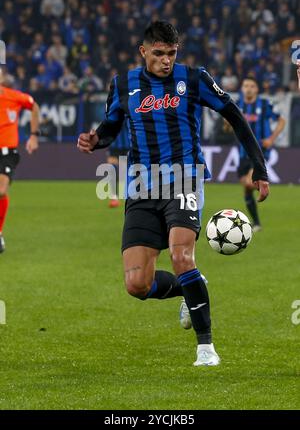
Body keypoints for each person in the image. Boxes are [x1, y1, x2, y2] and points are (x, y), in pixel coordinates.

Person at [77, 21, 269, 367]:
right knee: (137, 284)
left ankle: (205, 348)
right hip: (140, 185)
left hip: (184, 179)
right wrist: (96, 140)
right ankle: (190, 286)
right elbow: (110, 126)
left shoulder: (194, 79)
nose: (166, 61)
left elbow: (235, 115)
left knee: (182, 257)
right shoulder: (123, 85)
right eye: (159, 53)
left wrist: (259, 166)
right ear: (144, 51)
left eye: (171, 54)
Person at [229, 77, 285, 232]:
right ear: (241, 88)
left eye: (252, 86)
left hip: (260, 152)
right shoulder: (236, 105)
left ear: (257, 89)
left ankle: (263, 184)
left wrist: (271, 139)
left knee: (248, 183)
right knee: (247, 189)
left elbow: (282, 121)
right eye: (245, 85)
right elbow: (228, 125)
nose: (248, 88)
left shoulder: (265, 105)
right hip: (242, 153)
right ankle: (257, 224)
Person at [0, 68, 40, 253]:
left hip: (7, 152)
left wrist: (33, 135)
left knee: (1, 190)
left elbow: (34, 106)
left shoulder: (14, 97)